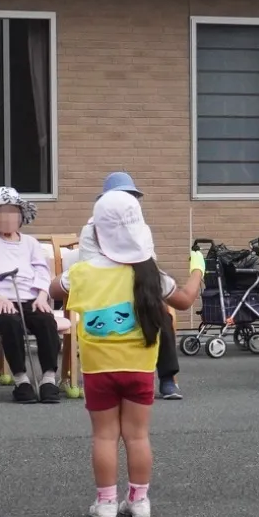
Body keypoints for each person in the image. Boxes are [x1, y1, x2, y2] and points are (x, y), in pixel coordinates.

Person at [58, 191, 202, 517]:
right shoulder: (150, 272)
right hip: (138, 366)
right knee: (137, 435)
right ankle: (139, 501)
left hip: (97, 367)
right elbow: (184, 300)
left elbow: (55, 289)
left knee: (104, 435)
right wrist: (197, 269)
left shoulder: (83, 272)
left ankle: (106, 503)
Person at [94, 171, 187, 400]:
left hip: (138, 287)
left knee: (162, 317)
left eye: (131, 196)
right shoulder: (93, 228)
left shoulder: (142, 230)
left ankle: (167, 379)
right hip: (105, 293)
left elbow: (149, 262)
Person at [0, 187, 63, 404]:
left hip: (30, 298)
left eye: (13, 211)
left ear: (21, 217)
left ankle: (48, 378)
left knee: (45, 320)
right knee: (10, 321)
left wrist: (41, 296)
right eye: (0, 212)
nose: (7, 217)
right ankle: (21, 380)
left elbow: (41, 271)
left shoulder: (31, 243)